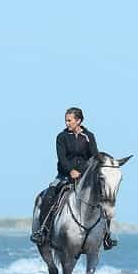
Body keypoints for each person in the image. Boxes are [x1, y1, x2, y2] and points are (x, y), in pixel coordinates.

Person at [30, 106, 117, 248]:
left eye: (69, 121)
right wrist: (70, 170)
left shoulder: (89, 136)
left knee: (103, 198)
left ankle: (106, 235)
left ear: (79, 121)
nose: (67, 123)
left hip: (85, 177)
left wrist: (83, 172)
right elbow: (62, 158)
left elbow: (94, 157)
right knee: (48, 196)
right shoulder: (61, 137)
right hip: (64, 175)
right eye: (66, 120)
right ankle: (43, 231)